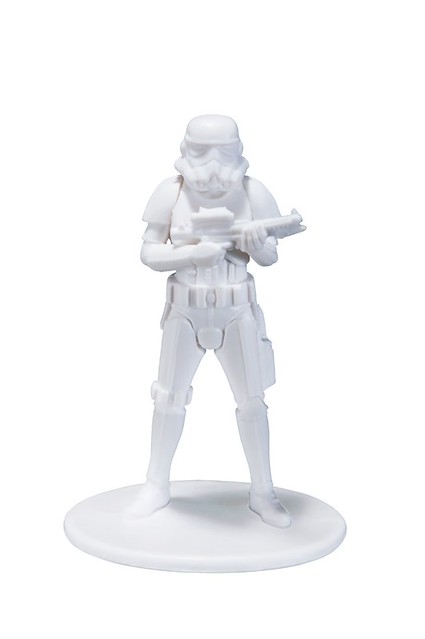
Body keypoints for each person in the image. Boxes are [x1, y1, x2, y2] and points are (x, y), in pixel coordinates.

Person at [130, 115, 304, 527]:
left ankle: (263, 492)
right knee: (168, 398)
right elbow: (149, 252)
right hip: (185, 310)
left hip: (236, 309)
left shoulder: (253, 193)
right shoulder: (171, 193)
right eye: (202, 151)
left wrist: (256, 245)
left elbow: (270, 257)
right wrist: (192, 254)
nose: (212, 164)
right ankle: (156, 484)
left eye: (222, 152)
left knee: (252, 402)